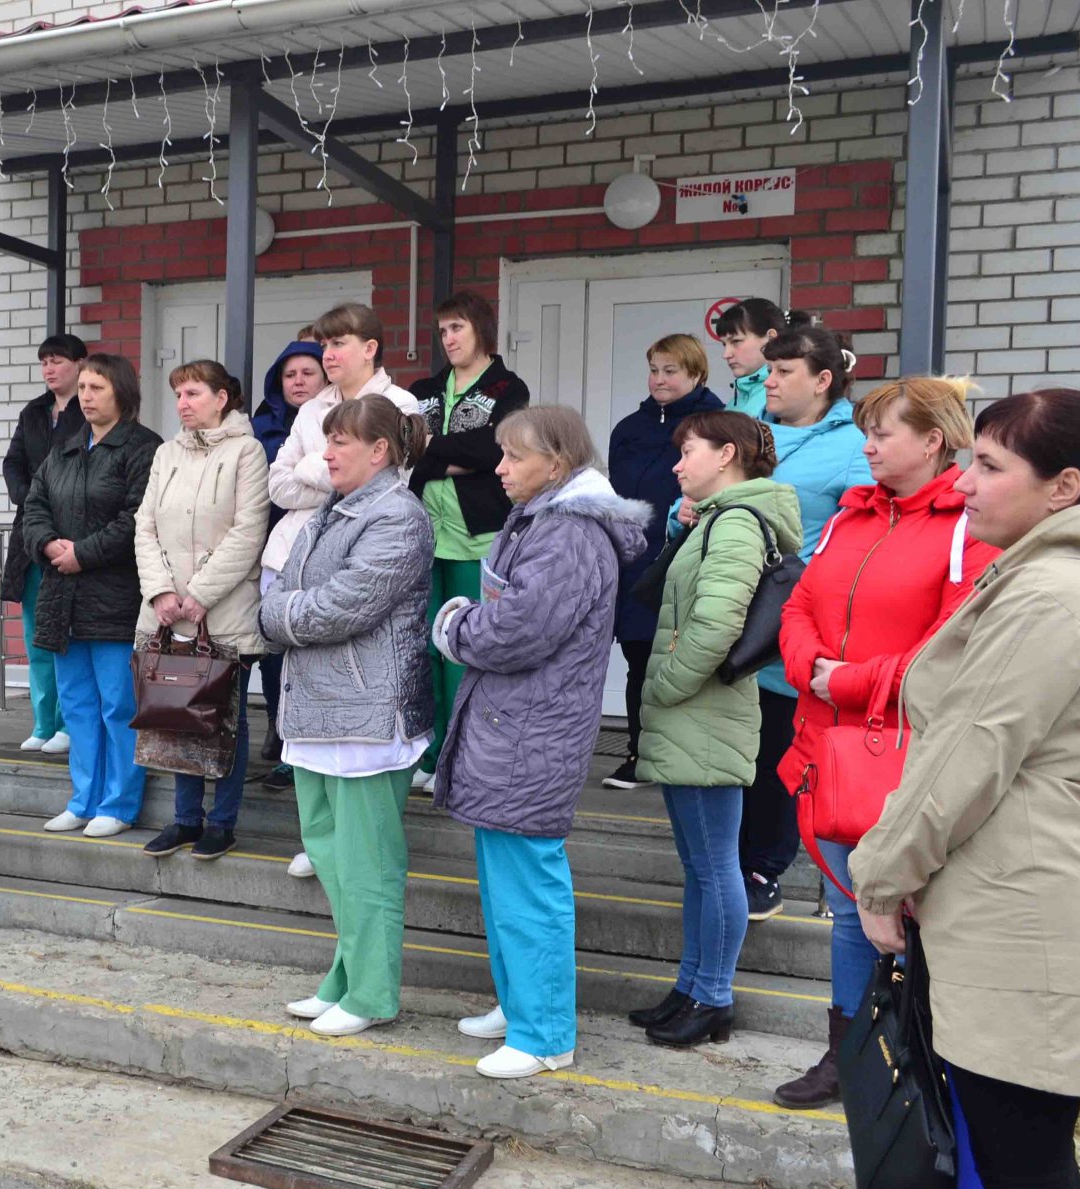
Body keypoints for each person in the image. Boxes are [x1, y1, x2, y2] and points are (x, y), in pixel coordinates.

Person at [851, 389, 1080, 1189]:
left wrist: (882, 876)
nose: (967, 482)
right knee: (1030, 1171)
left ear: (1064, 487)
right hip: (1020, 900)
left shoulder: (1053, 593)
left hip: (1031, 916)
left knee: (1028, 1178)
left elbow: (968, 756)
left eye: (989, 466)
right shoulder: (1042, 577)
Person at [768, 377, 999, 1109]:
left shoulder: (968, 524)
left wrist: (854, 682)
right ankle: (849, 1056)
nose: (865, 446)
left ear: (932, 442)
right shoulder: (850, 516)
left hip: (907, 751)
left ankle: (926, 1061)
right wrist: (812, 670)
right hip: (832, 743)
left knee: (915, 914)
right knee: (848, 911)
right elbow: (800, 601)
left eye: (882, 433)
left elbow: (955, 642)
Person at [431, 406, 648, 1079]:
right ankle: (518, 1003)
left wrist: (456, 628)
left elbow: (519, 629)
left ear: (556, 463)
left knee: (528, 885)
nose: (499, 468)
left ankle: (545, 1032)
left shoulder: (569, 534)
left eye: (513, 456)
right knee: (504, 882)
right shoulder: (543, 519)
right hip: (515, 725)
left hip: (533, 730)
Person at [259, 395, 434, 1038]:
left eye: (338, 444)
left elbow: (341, 607)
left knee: (367, 865)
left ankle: (373, 992)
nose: (323, 455)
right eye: (324, 441)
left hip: (367, 713)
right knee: (332, 858)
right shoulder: (331, 511)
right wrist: (281, 610)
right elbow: (279, 588)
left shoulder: (398, 516)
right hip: (315, 710)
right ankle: (345, 975)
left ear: (379, 451)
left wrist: (279, 615)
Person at [631, 410, 801, 1048]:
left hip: (701, 713)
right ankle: (692, 986)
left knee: (714, 865)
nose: (677, 465)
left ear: (726, 454)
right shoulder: (713, 521)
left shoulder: (734, 525)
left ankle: (714, 998)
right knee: (701, 866)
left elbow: (715, 624)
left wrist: (667, 683)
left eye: (688, 451)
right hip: (694, 717)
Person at [262, 302, 420, 813]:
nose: (327, 355)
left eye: (337, 344)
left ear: (370, 348)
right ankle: (299, 764)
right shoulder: (310, 408)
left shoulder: (401, 403)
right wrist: (332, 476)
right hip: (294, 552)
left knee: (341, 658)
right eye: (323, 345)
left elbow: (390, 486)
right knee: (291, 667)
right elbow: (277, 486)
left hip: (354, 558)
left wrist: (315, 470)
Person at [740, 323, 872, 921]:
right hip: (731, 619)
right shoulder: (753, 432)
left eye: (782, 371)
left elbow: (865, 532)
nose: (768, 380)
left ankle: (767, 866)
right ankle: (737, 866)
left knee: (777, 752)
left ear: (823, 381)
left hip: (795, 625)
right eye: (767, 370)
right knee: (740, 751)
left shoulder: (853, 445)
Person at [134, 360, 270, 859]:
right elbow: (144, 527)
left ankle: (222, 821)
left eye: (192, 393)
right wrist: (161, 591)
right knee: (175, 713)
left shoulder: (247, 452)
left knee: (223, 715)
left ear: (222, 398)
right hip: (168, 612)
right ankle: (185, 820)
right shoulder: (166, 454)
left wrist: (200, 594)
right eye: (178, 395)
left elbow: (248, 531)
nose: (182, 404)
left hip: (223, 611)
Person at [21, 353, 160, 839]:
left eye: (96, 387)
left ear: (121, 390)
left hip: (116, 598)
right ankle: (83, 799)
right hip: (63, 597)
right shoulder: (66, 446)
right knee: (77, 704)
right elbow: (34, 505)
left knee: (119, 706)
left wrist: (83, 552)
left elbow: (136, 519)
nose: (86, 395)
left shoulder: (142, 448)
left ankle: (119, 803)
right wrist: (46, 543)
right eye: (82, 387)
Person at [406, 290, 531, 795]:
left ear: (480, 329)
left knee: (465, 647)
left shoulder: (508, 386)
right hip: (422, 537)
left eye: (457, 328)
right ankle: (432, 753)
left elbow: (493, 448)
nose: (449, 339)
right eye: (442, 331)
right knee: (427, 648)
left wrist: (438, 451)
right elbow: (409, 447)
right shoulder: (425, 388)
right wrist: (447, 455)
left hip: (476, 537)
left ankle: (463, 754)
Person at [605, 334, 724, 789]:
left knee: (688, 660)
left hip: (692, 554)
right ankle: (641, 753)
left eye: (671, 370)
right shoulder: (630, 429)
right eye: (654, 369)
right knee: (641, 658)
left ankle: (689, 758)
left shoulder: (716, 424)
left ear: (696, 373)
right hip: (638, 561)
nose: (659, 379)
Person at [0, 333, 87, 755]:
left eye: (58, 361)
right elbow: (12, 460)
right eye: (44, 362)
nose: (50, 369)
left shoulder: (89, 412)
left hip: (72, 533)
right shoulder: (34, 412)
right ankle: (43, 721)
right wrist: (25, 494)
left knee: (67, 632)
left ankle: (69, 722)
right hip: (31, 535)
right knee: (36, 632)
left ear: (80, 364)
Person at [249, 335, 328, 783]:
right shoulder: (262, 427)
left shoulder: (340, 420)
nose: (298, 382)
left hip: (322, 548)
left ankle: (303, 744)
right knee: (275, 651)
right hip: (271, 547)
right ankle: (280, 732)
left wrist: (304, 478)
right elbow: (267, 487)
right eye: (289, 374)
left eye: (307, 373)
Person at [710, 298, 797, 419]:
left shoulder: (787, 396)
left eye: (736, 341)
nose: (726, 354)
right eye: (724, 344)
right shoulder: (740, 396)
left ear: (771, 338)